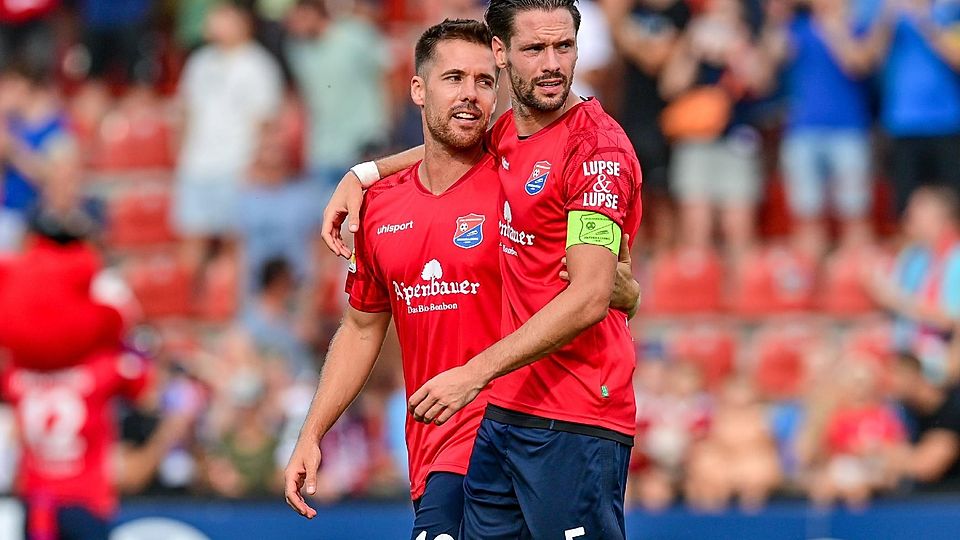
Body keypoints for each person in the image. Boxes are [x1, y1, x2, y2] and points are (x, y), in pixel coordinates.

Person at [283, 18, 641, 539]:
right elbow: (362, 328)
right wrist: (312, 433)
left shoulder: (517, 176)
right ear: (418, 89)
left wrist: (625, 290)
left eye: (483, 81)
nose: (470, 95)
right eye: (453, 79)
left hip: (519, 424)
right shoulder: (381, 209)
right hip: (436, 442)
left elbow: (598, 277)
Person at [763, 0, 880, 260]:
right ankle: (806, 285)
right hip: (802, 132)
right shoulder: (798, 28)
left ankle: (854, 281)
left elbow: (857, 63)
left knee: (855, 212)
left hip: (849, 131)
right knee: (806, 214)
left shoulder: (858, 26)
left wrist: (834, 29)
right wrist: (776, 18)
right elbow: (770, 62)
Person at [174, 2, 282, 272]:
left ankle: (229, 308)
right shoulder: (199, 62)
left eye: (221, 15)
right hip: (196, 165)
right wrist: (180, 157)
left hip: (236, 166)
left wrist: (254, 166)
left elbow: (266, 124)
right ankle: (190, 306)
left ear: (242, 21)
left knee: (234, 244)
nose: (213, 21)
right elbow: (186, 113)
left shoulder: (258, 66)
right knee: (192, 239)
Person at [890, 352, 960, 490]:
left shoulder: (953, 407)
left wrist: (887, 457)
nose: (890, 387)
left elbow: (926, 467)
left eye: (894, 377)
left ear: (911, 376)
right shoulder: (906, 412)